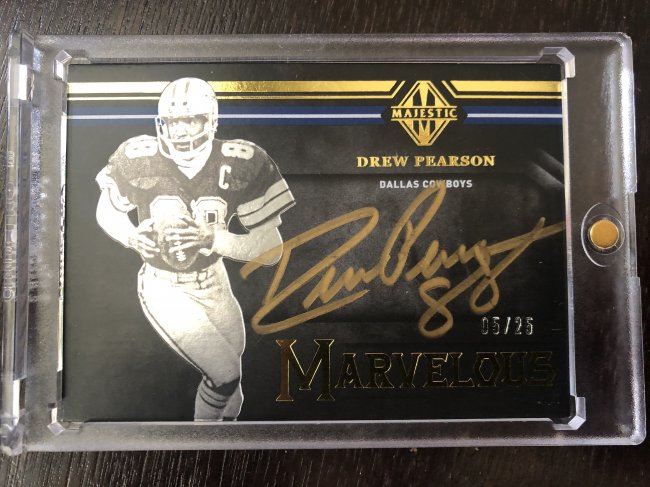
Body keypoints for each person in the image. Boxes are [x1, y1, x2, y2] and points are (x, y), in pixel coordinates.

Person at [95, 77, 295, 420]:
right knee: (224, 375)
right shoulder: (138, 156)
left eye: (191, 120)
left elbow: (271, 249)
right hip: (164, 286)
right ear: (161, 123)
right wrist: (131, 236)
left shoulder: (242, 160)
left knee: (234, 380)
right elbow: (107, 211)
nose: (181, 131)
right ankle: (205, 441)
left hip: (215, 281)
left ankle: (227, 436)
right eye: (173, 122)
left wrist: (213, 239)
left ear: (212, 121)